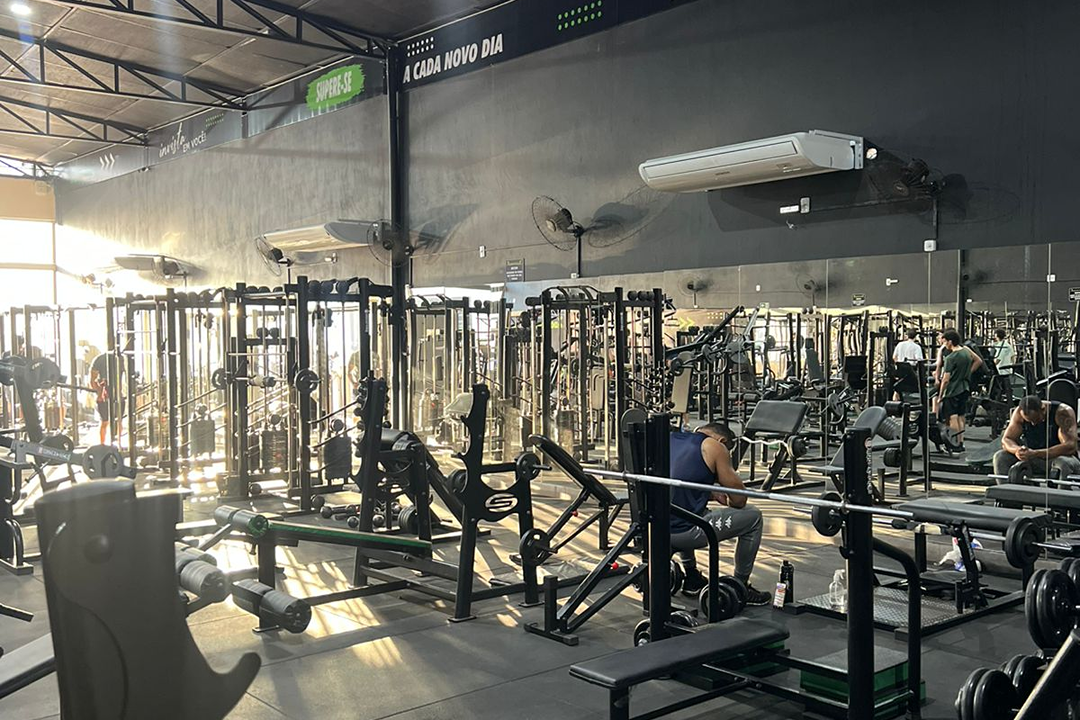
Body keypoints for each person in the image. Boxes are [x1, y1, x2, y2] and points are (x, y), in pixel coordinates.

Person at [669, 423, 771, 605]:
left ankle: (692, 576)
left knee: (688, 509)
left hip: (655, 527)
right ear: (722, 441)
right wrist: (726, 493)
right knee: (753, 517)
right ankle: (740, 586)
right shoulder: (714, 446)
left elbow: (680, 481)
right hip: (686, 533)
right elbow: (739, 500)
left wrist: (707, 491)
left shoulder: (671, 439)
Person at [994, 395, 1080, 482]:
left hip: (1057, 458)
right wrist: (1017, 450)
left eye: (1036, 419)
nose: (1033, 424)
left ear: (1043, 409)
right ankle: (1005, 490)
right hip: (1033, 457)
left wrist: (1037, 453)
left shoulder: (1062, 413)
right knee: (1000, 457)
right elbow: (1007, 439)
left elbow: (1070, 446)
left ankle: (1061, 491)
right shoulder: (1019, 413)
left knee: (1063, 463)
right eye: (1029, 421)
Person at [937, 329, 983, 452]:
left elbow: (945, 379)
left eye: (945, 342)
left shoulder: (950, 358)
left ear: (950, 341)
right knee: (961, 416)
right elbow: (979, 361)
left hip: (953, 389)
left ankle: (954, 444)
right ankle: (961, 443)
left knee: (953, 417)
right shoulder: (966, 351)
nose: (944, 344)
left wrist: (940, 395)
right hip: (965, 387)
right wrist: (968, 373)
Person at [90, 345, 125, 444]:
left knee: (116, 422)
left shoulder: (122, 358)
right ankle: (104, 445)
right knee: (106, 422)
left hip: (117, 395)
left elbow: (92, 380)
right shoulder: (100, 359)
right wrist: (100, 391)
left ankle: (116, 444)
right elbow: (92, 380)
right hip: (106, 396)